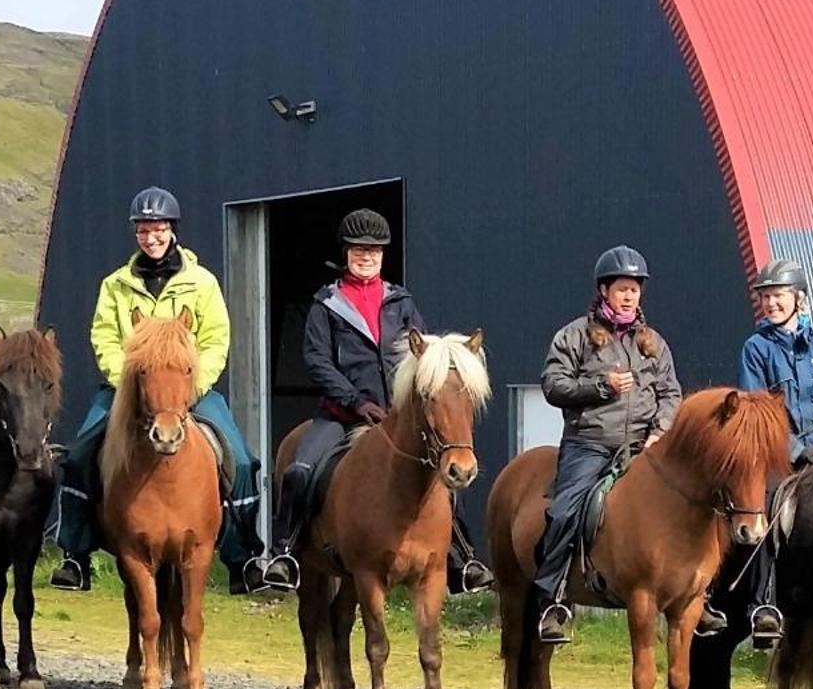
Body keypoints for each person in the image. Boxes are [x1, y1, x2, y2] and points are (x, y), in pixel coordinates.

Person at [253, 208, 493, 594]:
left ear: (383, 256)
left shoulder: (401, 302)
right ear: (346, 254)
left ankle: (461, 558)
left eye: (374, 251)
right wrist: (355, 401)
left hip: (395, 419)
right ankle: (284, 552)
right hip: (341, 416)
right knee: (300, 469)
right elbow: (317, 361)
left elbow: (423, 358)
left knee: (443, 475)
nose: (366, 257)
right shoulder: (326, 304)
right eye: (358, 251)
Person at [48, 186, 265, 593]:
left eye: (159, 230)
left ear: (172, 231)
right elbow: (105, 337)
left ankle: (244, 557)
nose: (152, 238)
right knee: (79, 455)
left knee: (242, 459)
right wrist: (127, 381)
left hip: (190, 391)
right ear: (136, 234)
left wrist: (195, 385)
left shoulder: (201, 283)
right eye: (144, 231)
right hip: (129, 392)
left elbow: (217, 338)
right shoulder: (115, 285)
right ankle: (75, 556)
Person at [532, 246, 682, 644]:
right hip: (591, 443)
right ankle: (554, 598)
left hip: (644, 447)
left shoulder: (654, 343)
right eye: (622, 288)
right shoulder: (575, 335)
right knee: (565, 512)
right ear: (604, 291)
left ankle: (700, 594)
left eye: (635, 289)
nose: (629, 296)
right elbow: (553, 385)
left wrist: (660, 431)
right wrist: (602, 386)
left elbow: (671, 393)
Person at [733, 257, 813, 639]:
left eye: (778, 296)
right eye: (766, 297)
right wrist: (796, 448)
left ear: (799, 299)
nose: (770, 304)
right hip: (778, 454)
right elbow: (756, 408)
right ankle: (764, 603)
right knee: (767, 508)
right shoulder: (756, 348)